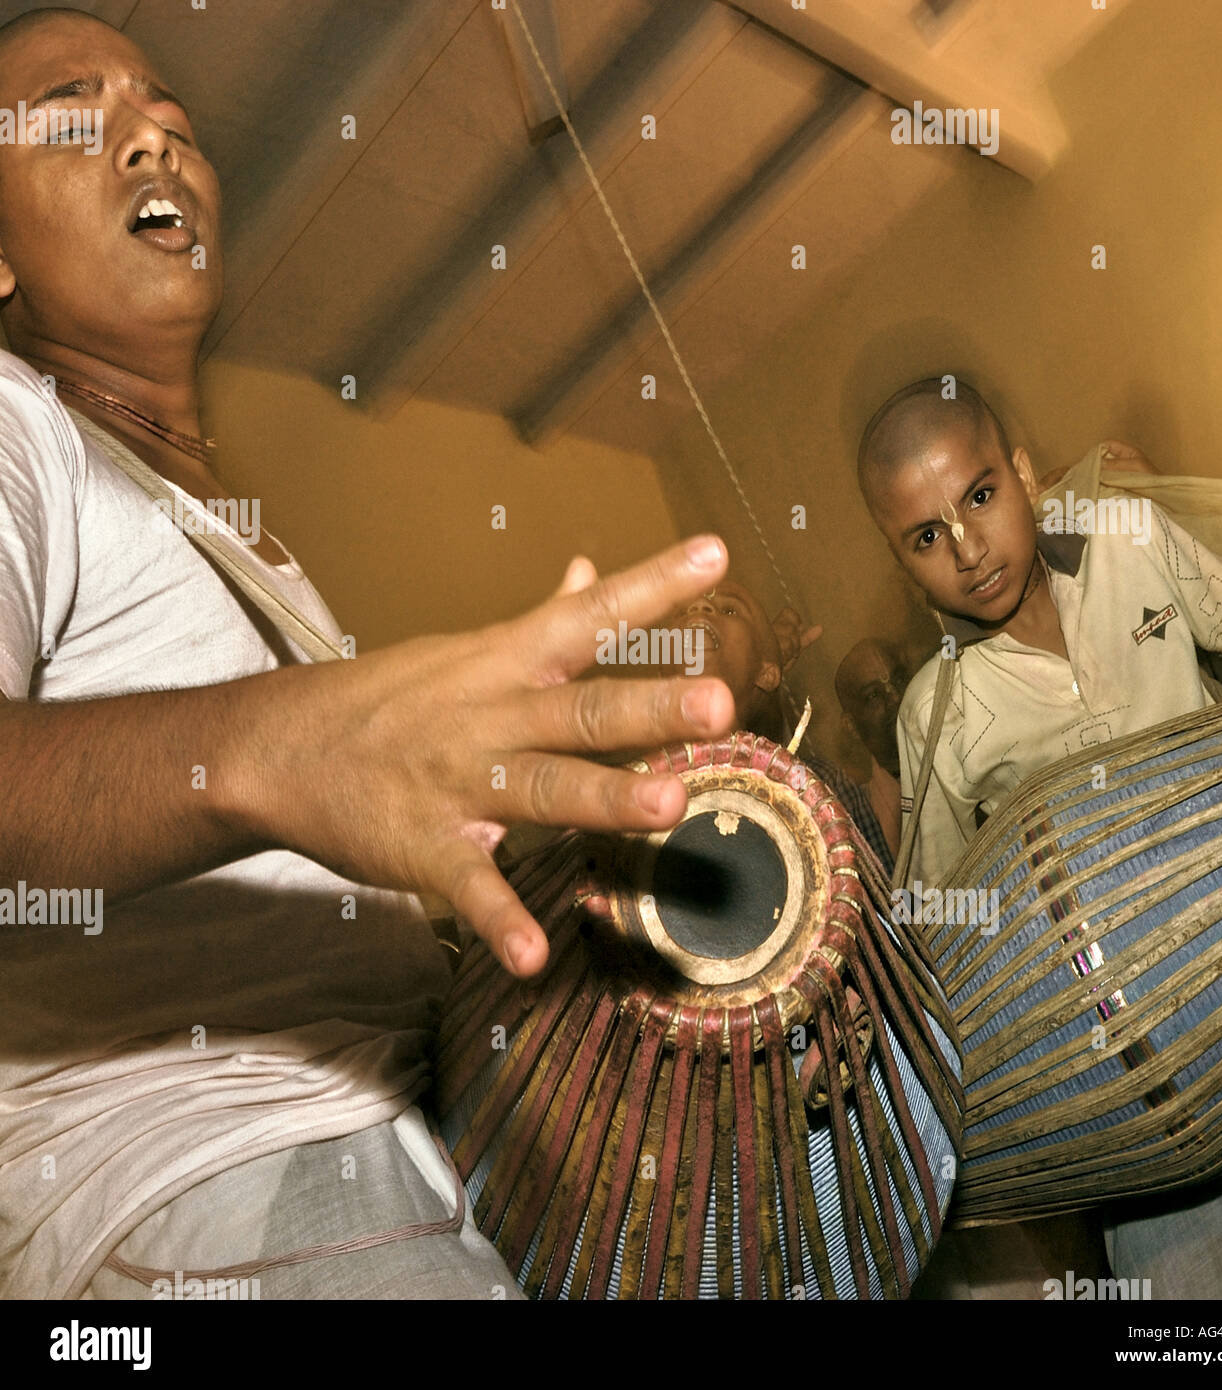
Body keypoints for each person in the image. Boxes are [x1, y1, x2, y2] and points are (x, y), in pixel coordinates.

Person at [0, 8, 739, 1299]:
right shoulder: (17, 437)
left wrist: (574, 785)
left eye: (167, 109)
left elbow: (345, 829)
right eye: (75, 116)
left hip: (383, 1158)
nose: (150, 135)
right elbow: (274, 763)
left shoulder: (252, 561)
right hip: (200, 1184)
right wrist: (282, 747)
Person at [856, 373, 1222, 1299]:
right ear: (902, 563)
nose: (969, 548)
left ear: (1023, 473)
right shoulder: (938, 711)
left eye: (980, 496)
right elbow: (948, 926)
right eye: (927, 537)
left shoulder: (1133, 544)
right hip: (1139, 1100)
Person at [647, 577, 896, 874]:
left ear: (766, 674)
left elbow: (881, 903)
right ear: (662, 672)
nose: (699, 606)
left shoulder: (820, 785)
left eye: (729, 611)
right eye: (681, 612)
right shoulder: (639, 797)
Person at [833, 638, 908, 860]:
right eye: (874, 695)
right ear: (851, 726)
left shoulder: (964, 753)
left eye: (899, 680)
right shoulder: (857, 821)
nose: (895, 697)